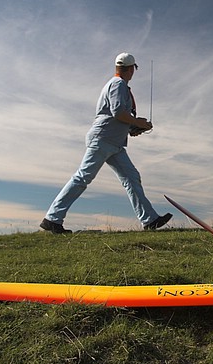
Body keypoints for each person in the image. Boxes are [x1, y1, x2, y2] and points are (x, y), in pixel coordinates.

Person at [40, 52, 172, 234]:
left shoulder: (116, 84)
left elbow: (116, 116)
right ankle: (52, 219)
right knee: (83, 177)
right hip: (103, 139)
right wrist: (139, 123)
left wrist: (132, 129)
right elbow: (118, 112)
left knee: (131, 177)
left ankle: (149, 219)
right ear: (131, 69)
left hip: (114, 142)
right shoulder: (118, 84)